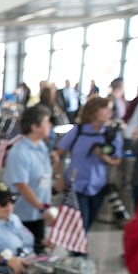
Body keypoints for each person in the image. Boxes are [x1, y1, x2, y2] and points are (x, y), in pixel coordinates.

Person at [55, 97, 123, 232]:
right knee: (81, 222)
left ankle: (79, 248)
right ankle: (78, 250)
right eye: (106, 109)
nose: (110, 112)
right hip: (76, 184)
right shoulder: (77, 131)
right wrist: (59, 177)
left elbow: (117, 160)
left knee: (90, 220)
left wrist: (104, 157)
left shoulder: (111, 135)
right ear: (94, 111)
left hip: (98, 185)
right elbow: (58, 154)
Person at [3, 105, 57, 253]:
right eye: (46, 122)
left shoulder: (42, 147)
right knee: (23, 253)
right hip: (23, 215)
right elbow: (21, 185)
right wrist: (42, 208)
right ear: (34, 126)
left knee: (39, 252)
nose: (50, 125)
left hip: (38, 212)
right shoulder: (19, 152)